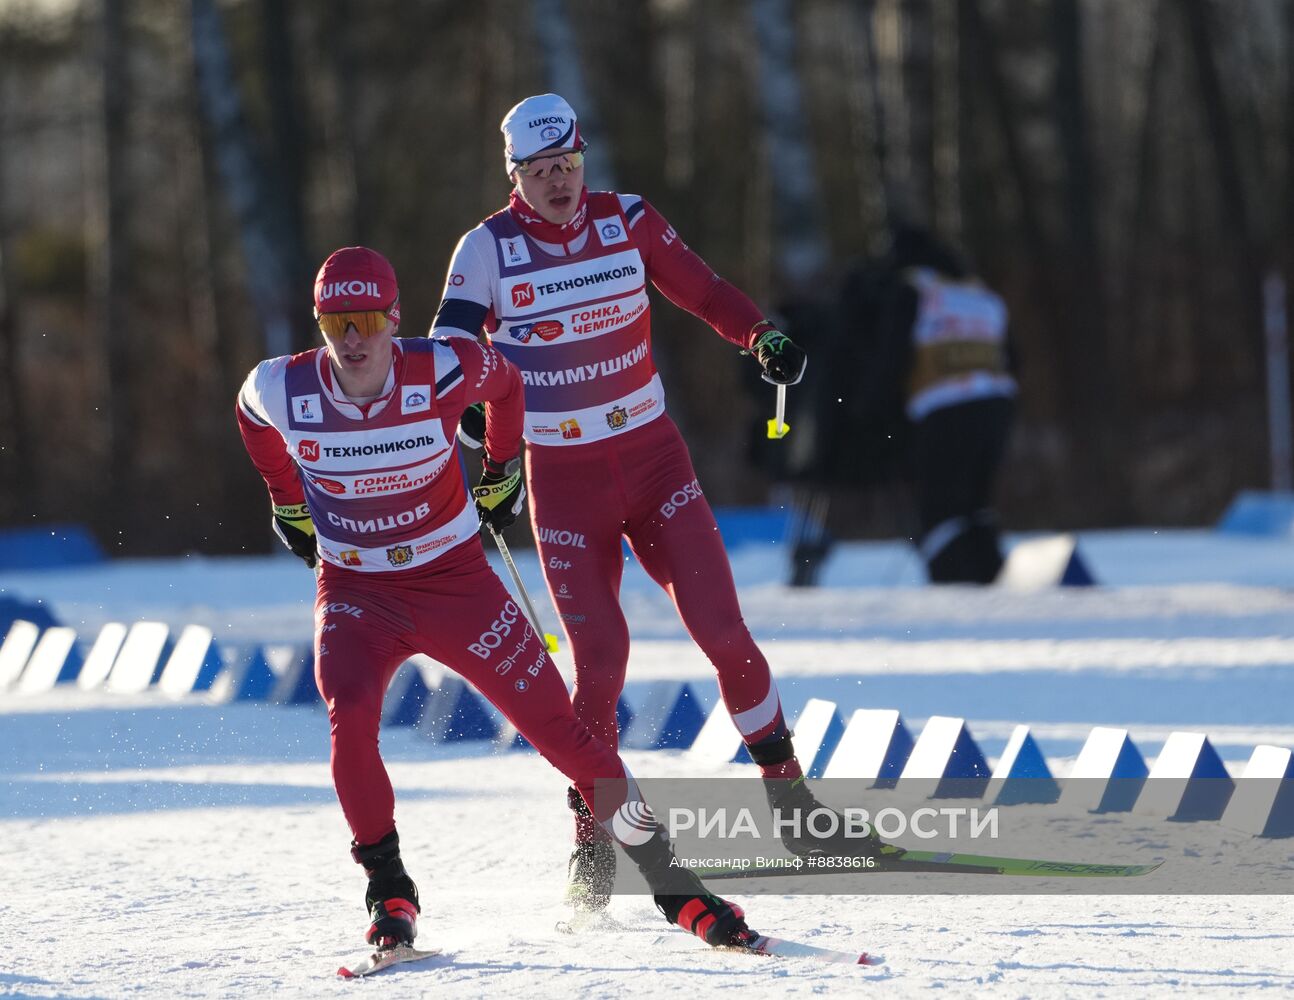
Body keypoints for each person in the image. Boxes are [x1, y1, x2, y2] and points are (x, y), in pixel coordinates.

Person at [236, 245, 761, 952]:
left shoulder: (442, 366)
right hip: (359, 591)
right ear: (318, 324)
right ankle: (389, 888)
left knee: (564, 737)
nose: (353, 339)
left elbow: (508, 386)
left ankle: (675, 888)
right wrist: (287, 502)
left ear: (394, 319)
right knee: (350, 714)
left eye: (366, 318)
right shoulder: (283, 387)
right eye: (336, 323)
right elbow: (251, 420)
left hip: (457, 586)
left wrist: (503, 466)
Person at [430, 94, 865, 913]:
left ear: (582, 160)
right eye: (539, 172)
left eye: (568, 166)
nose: (558, 183)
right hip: (562, 477)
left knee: (725, 631)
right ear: (513, 176)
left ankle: (789, 794)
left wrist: (759, 334)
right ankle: (593, 841)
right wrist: (488, 442)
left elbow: (704, 291)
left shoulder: (627, 219)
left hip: (654, 461)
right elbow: (450, 353)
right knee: (599, 662)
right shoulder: (486, 248)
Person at [846, 226, 1017, 583]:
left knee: (940, 509)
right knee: (976, 502)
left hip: (944, 409)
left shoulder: (914, 290)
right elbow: (1013, 355)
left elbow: (892, 358)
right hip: (998, 406)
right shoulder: (978, 291)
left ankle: (954, 590)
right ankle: (992, 578)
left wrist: (866, 411)